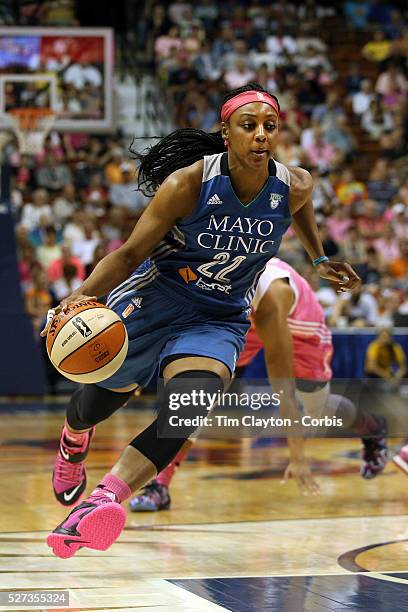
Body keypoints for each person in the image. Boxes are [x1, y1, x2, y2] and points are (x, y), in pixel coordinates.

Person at [41, 83, 359, 559]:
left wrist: (318, 258)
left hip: (220, 317)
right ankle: (73, 440)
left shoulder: (294, 184)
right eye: (248, 126)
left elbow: (300, 207)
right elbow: (128, 253)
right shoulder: (188, 183)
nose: (260, 136)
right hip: (157, 299)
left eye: (269, 127)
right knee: (96, 405)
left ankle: (101, 501)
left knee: (188, 406)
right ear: (226, 133)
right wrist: (76, 298)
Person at [130, 258, 386, 511]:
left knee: (316, 407)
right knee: (196, 399)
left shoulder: (275, 297)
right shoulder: (205, 283)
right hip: (241, 319)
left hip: (299, 326)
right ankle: (160, 485)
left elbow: (283, 391)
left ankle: (372, 428)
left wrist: (297, 457)